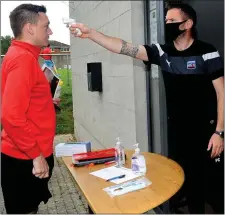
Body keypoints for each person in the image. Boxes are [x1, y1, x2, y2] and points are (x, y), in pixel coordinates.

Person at [68, 3, 224, 214]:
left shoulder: (207, 51)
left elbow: (221, 93)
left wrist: (219, 132)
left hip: (207, 133)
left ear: (187, 24)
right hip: (178, 133)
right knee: (184, 182)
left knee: (212, 188)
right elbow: (124, 47)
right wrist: (92, 34)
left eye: (172, 21)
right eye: (166, 20)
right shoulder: (162, 52)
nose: (166, 24)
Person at [1, 4, 58, 214]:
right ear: (29, 28)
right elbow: (12, 116)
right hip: (23, 159)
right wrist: (36, 155)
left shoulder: (25, 56)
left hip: (26, 156)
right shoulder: (22, 59)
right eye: (46, 26)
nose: (50, 31)